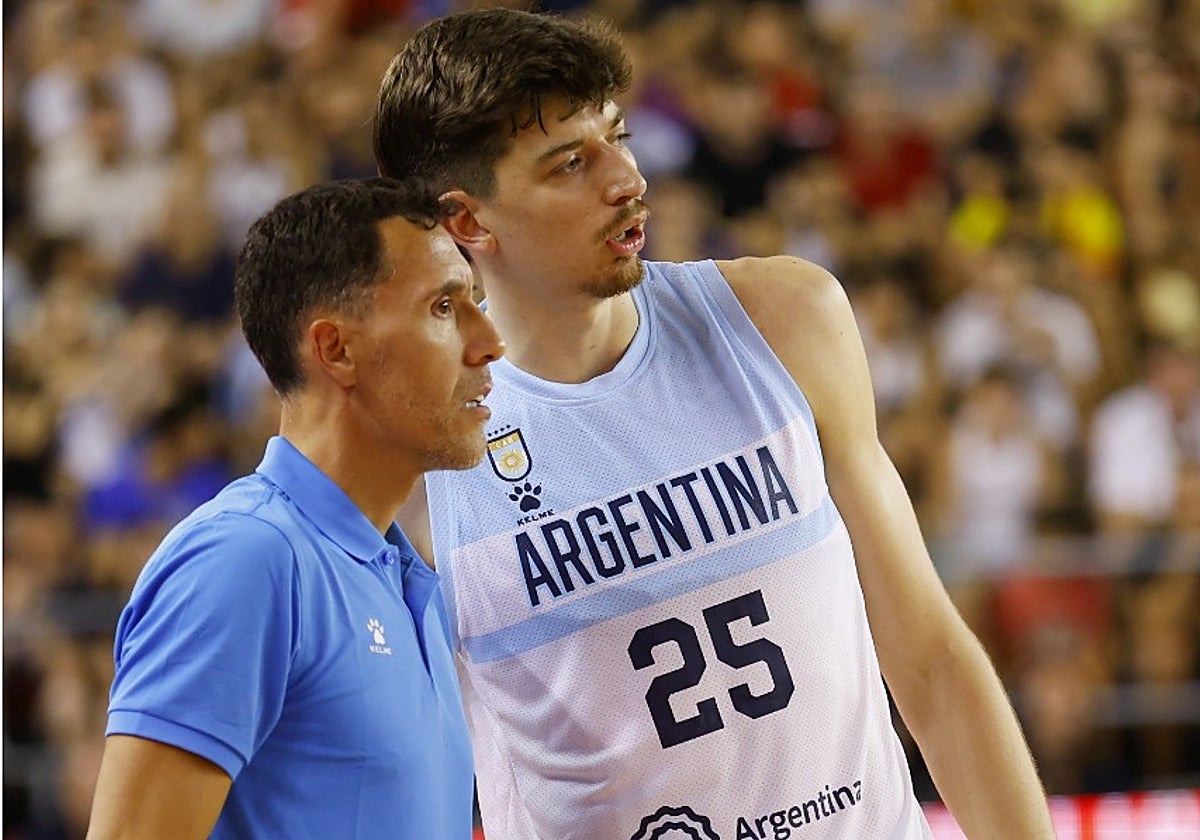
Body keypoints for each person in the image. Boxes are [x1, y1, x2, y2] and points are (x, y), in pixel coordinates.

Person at [373, 9, 1056, 840]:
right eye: (569, 164)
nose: (626, 177)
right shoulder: (416, 455)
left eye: (618, 137)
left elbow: (933, 662)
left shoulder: (784, 316)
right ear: (468, 222)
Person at [85, 177, 504, 840]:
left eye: (477, 303)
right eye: (445, 308)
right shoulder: (245, 560)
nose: (490, 342)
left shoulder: (404, 577)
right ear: (336, 349)